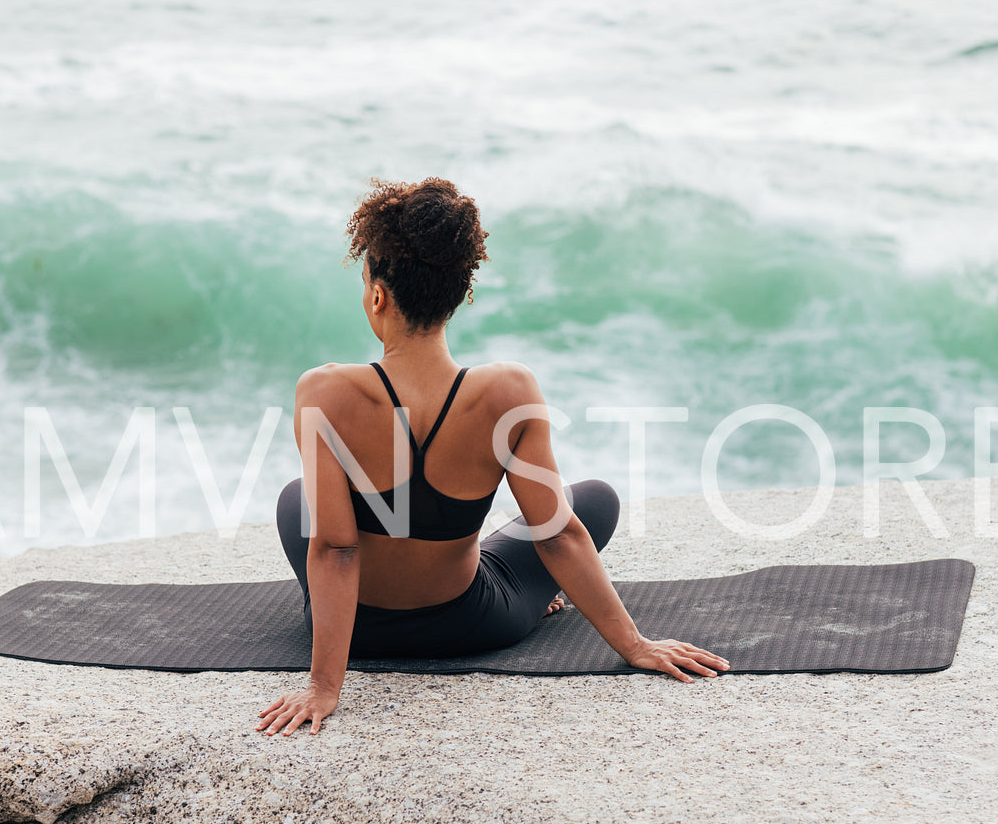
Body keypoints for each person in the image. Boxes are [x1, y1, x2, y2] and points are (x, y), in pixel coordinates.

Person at [258, 178, 728, 737]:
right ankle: (522, 585)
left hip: (357, 629)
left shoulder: (325, 393)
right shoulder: (507, 391)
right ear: (458, 294)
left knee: (297, 501)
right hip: (471, 623)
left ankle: (464, 572)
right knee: (595, 499)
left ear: (379, 295)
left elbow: (336, 549)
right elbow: (559, 535)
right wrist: (634, 645)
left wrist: (324, 686)